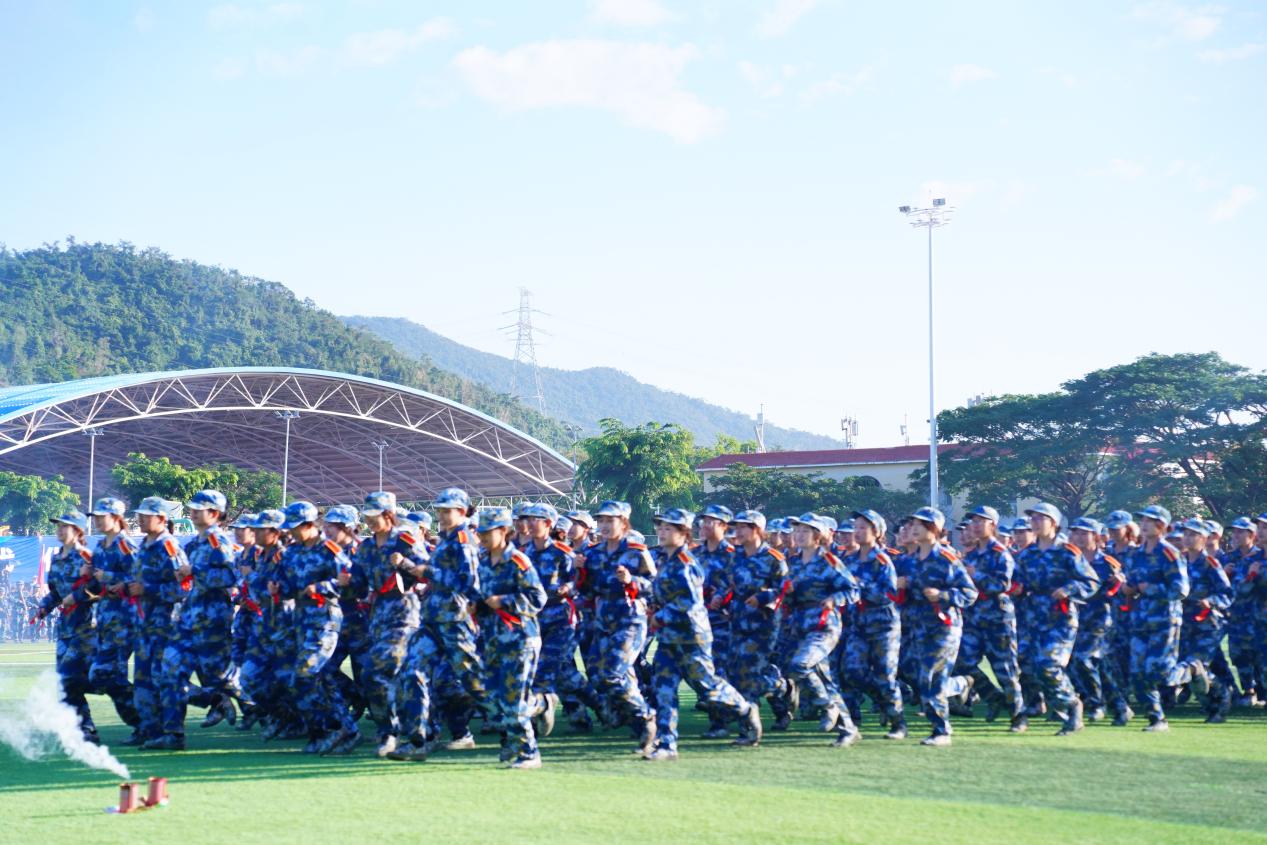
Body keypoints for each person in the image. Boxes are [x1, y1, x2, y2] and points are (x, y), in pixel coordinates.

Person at [644, 508, 762, 760]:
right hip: (668, 637)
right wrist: (652, 605)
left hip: (691, 637)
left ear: (683, 533)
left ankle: (744, 709)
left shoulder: (687, 563)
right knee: (663, 689)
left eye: (668, 528)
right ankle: (667, 745)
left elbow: (689, 602)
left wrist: (660, 616)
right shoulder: (665, 560)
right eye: (660, 528)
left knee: (708, 687)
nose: (662, 532)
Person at [574, 500, 658, 754]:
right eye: (601, 521)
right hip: (603, 621)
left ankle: (645, 716)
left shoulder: (636, 551)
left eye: (610, 521)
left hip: (630, 621)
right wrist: (580, 573)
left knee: (612, 673)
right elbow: (587, 590)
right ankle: (641, 727)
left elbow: (654, 586)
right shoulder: (593, 554)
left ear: (623, 523)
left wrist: (632, 580)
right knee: (599, 676)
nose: (604, 525)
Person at [278, 500, 360, 755]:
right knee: (320, 677)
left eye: (295, 527)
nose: (291, 532)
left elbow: (351, 582)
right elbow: (287, 584)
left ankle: (333, 728)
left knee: (306, 673)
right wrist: (278, 589)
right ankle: (338, 730)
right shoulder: (291, 552)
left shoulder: (329, 550)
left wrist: (322, 587)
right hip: (301, 621)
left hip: (325, 620)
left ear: (308, 525)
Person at [353, 491, 429, 759]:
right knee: (395, 677)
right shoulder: (365, 547)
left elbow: (426, 571)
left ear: (388, 515)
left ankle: (395, 732)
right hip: (378, 619)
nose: (369, 521)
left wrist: (404, 564)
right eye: (367, 516)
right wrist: (345, 582)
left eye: (374, 516)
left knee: (375, 672)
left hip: (404, 616)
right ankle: (399, 732)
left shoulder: (404, 540)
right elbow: (359, 584)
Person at [1014, 503, 1099, 736]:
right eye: (1033, 518)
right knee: (1026, 665)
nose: (1034, 522)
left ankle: (1072, 706)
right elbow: (1018, 582)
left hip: (1060, 620)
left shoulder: (1067, 551)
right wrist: (1016, 589)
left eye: (1040, 518)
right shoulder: (1027, 554)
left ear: (1054, 523)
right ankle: (1039, 706)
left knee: (1049, 665)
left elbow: (1091, 582)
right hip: (1032, 618)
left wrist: (1068, 589)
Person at [473, 507, 549, 768]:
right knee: (494, 696)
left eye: (488, 531)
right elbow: (481, 595)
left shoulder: (518, 561)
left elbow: (538, 598)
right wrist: (476, 605)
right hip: (493, 639)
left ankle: (529, 752)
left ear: (504, 531)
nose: (482, 536)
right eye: (480, 531)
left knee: (514, 698)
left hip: (521, 638)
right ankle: (518, 734)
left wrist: (504, 601)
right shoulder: (483, 562)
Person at [161, 490, 239, 740]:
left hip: (212, 619)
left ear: (214, 514)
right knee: (169, 669)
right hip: (190, 618)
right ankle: (174, 733)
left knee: (219, 675)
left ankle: (265, 708)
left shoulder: (218, 541)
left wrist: (195, 571)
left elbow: (230, 576)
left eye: (199, 509)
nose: (193, 513)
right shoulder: (194, 543)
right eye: (192, 508)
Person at [782, 512, 861, 747]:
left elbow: (853, 590)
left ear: (817, 535)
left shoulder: (829, 561)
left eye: (805, 531)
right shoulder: (794, 563)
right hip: (801, 626)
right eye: (797, 530)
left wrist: (835, 599)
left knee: (800, 665)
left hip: (824, 626)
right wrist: (787, 594)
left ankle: (827, 705)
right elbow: (788, 595)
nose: (799, 535)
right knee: (824, 680)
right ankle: (848, 729)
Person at [906, 506, 978, 746]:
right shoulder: (912, 560)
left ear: (934, 529)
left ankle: (941, 730)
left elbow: (969, 593)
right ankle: (958, 687)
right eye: (914, 524)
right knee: (924, 677)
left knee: (930, 677)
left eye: (921, 524)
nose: (914, 528)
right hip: (920, 627)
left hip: (945, 628)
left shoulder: (946, 559)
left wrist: (943, 595)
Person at [130, 497, 192, 750]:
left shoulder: (169, 546)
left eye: (147, 515)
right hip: (145, 625)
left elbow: (183, 588)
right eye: (140, 515)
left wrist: (148, 589)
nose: (141, 519)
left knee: (165, 680)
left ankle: (173, 733)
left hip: (165, 625)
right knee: (143, 682)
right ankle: (152, 732)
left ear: (162, 519)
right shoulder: (144, 545)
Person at [35, 511, 101, 743]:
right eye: (59, 525)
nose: (60, 530)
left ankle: (88, 725)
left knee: (69, 677)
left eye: (66, 526)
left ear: (78, 530)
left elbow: (99, 589)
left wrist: (77, 596)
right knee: (65, 682)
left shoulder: (86, 558)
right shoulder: (57, 558)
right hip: (65, 628)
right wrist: (45, 606)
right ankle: (82, 728)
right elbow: (56, 592)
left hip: (85, 626)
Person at [839, 508, 905, 739]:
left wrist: (862, 585)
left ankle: (898, 723)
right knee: (851, 671)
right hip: (858, 625)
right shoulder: (848, 560)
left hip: (883, 626)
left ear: (877, 532)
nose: (857, 531)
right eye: (855, 527)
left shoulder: (882, 560)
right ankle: (863, 715)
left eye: (862, 528)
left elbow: (889, 594)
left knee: (885, 676)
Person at [1121, 505, 1189, 731]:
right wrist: (1128, 588)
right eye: (1142, 520)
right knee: (1137, 673)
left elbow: (1181, 590)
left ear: (1162, 526)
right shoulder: (1137, 554)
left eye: (1150, 521)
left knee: (1158, 671)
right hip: (1141, 619)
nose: (1144, 524)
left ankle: (1191, 670)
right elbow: (1133, 582)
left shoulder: (1169, 553)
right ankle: (1156, 718)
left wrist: (1150, 588)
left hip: (1165, 619)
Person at [958, 505, 1025, 732]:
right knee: (962, 662)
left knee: (1005, 669)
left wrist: (975, 574)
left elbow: (1002, 584)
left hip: (998, 619)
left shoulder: (1000, 553)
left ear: (993, 525)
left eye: (981, 521)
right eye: (973, 521)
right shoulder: (971, 555)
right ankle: (993, 697)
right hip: (974, 618)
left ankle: (1018, 715)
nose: (975, 526)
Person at [725, 510, 794, 729]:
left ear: (757, 530)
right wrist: (721, 598)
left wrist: (763, 597)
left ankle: (749, 726)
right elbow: (730, 584)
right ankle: (781, 694)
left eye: (743, 527)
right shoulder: (735, 556)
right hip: (738, 620)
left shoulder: (773, 558)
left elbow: (785, 588)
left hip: (764, 624)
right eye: (737, 527)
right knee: (739, 672)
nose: (738, 531)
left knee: (751, 673)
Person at [86, 497, 143, 739]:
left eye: (102, 516)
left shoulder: (125, 545)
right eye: (96, 517)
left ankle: (146, 721)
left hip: (124, 619)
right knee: (109, 677)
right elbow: (95, 582)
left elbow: (138, 578)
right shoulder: (100, 546)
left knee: (105, 675)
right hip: (105, 619)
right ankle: (143, 723)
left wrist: (107, 577)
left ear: (117, 518)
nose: (97, 521)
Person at [1172, 518, 1234, 722]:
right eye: (1186, 534)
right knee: (1193, 669)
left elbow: (1227, 594)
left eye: (1193, 535)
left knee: (1195, 665)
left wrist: (1210, 601)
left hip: (1208, 624)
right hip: (1185, 624)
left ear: (1204, 539)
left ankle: (1223, 696)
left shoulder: (1210, 564)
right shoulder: (1179, 561)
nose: (1188, 538)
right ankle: (1213, 705)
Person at [1068, 518, 1124, 724]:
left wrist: (1118, 585)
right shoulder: (1071, 560)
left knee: (1083, 659)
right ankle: (1120, 706)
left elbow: (1118, 591)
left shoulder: (1107, 563)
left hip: (1100, 620)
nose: (1079, 537)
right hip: (1076, 619)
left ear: (1097, 537)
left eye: (1084, 533)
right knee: (1098, 666)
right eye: (1076, 533)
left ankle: (1096, 704)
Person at [696, 503, 736, 738]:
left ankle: (721, 721)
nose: (704, 525)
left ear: (723, 525)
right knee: (705, 670)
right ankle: (724, 714)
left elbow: (741, 584)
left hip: (724, 621)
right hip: (699, 621)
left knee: (719, 670)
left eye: (710, 521)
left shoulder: (732, 555)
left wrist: (723, 597)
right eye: (704, 521)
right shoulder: (696, 554)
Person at [1224, 516, 1263, 706]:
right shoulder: (1229, 558)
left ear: (1252, 535)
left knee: (1258, 655)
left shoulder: (1258, 557)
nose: (1236, 535)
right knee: (1238, 654)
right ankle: (1248, 690)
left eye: (1241, 532)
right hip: (1236, 615)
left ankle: (1261, 691)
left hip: (1256, 614)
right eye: (1234, 531)